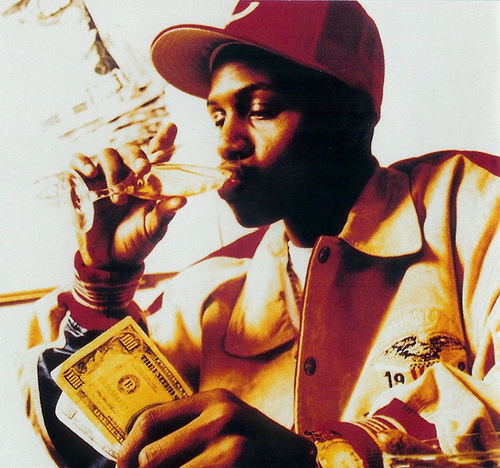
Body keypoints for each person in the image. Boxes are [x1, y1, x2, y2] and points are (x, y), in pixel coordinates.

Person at [19, 1, 499, 467]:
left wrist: (322, 457)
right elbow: (103, 448)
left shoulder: (470, 208)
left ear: (351, 119)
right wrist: (104, 283)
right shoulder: (211, 291)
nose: (227, 143)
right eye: (218, 116)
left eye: (260, 109)